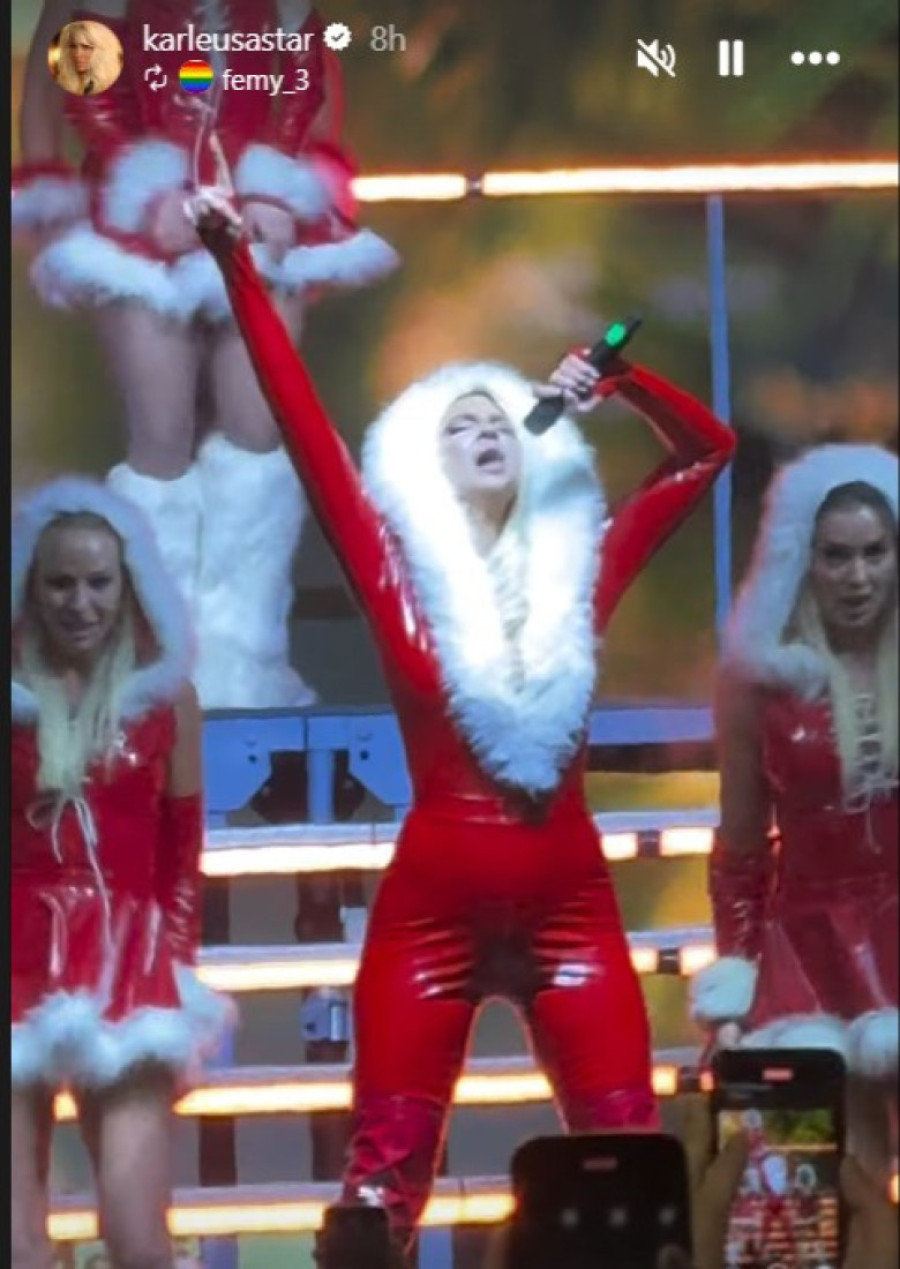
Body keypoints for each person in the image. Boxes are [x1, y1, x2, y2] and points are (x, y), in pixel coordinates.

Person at [190, 186, 736, 1257]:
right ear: (418, 472)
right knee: (380, 1184)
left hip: (571, 913)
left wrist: (622, 380)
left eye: (497, 419)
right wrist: (234, 262)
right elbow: (299, 417)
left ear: (533, 453)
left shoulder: (579, 574)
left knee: (631, 1167)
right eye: (458, 426)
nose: (485, 429)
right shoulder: (394, 577)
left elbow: (706, 453)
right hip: (430, 920)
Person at [13, 0, 399, 709]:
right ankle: (161, 667)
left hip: (260, 210)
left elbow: (306, 78)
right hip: (140, 219)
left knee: (256, 435)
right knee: (161, 441)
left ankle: (245, 665)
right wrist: (148, 190)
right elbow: (83, 76)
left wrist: (273, 189)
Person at [11, 477, 234, 1269]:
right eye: (60, 582)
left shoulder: (167, 702)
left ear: (128, 585)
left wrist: (171, 967)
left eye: (98, 581)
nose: (80, 602)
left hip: (130, 968)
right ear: (31, 588)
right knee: (16, 1243)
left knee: (139, 1240)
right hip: (14, 961)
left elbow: (182, 857)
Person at [690, 445, 898, 1181]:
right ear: (802, 560)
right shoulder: (758, 683)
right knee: (828, 1196)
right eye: (836, 555)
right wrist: (734, 987)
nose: (858, 576)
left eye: (875, 553)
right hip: (805, 950)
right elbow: (741, 849)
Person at [52, 19, 123, 96]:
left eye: (86, 47)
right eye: (73, 46)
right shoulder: (61, 82)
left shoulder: (111, 87)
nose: (77, 54)